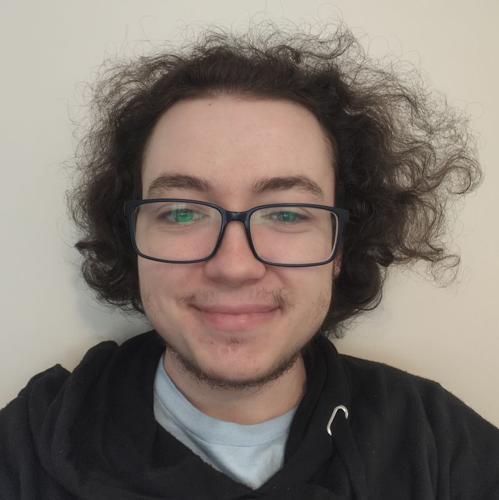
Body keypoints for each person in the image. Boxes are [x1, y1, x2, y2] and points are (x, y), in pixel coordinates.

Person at [1, 25, 498, 499]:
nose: (234, 267)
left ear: (341, 248)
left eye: (287, 213)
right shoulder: (25, 451)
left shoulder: (439, 446)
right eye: (181, 212)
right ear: (131, 239)